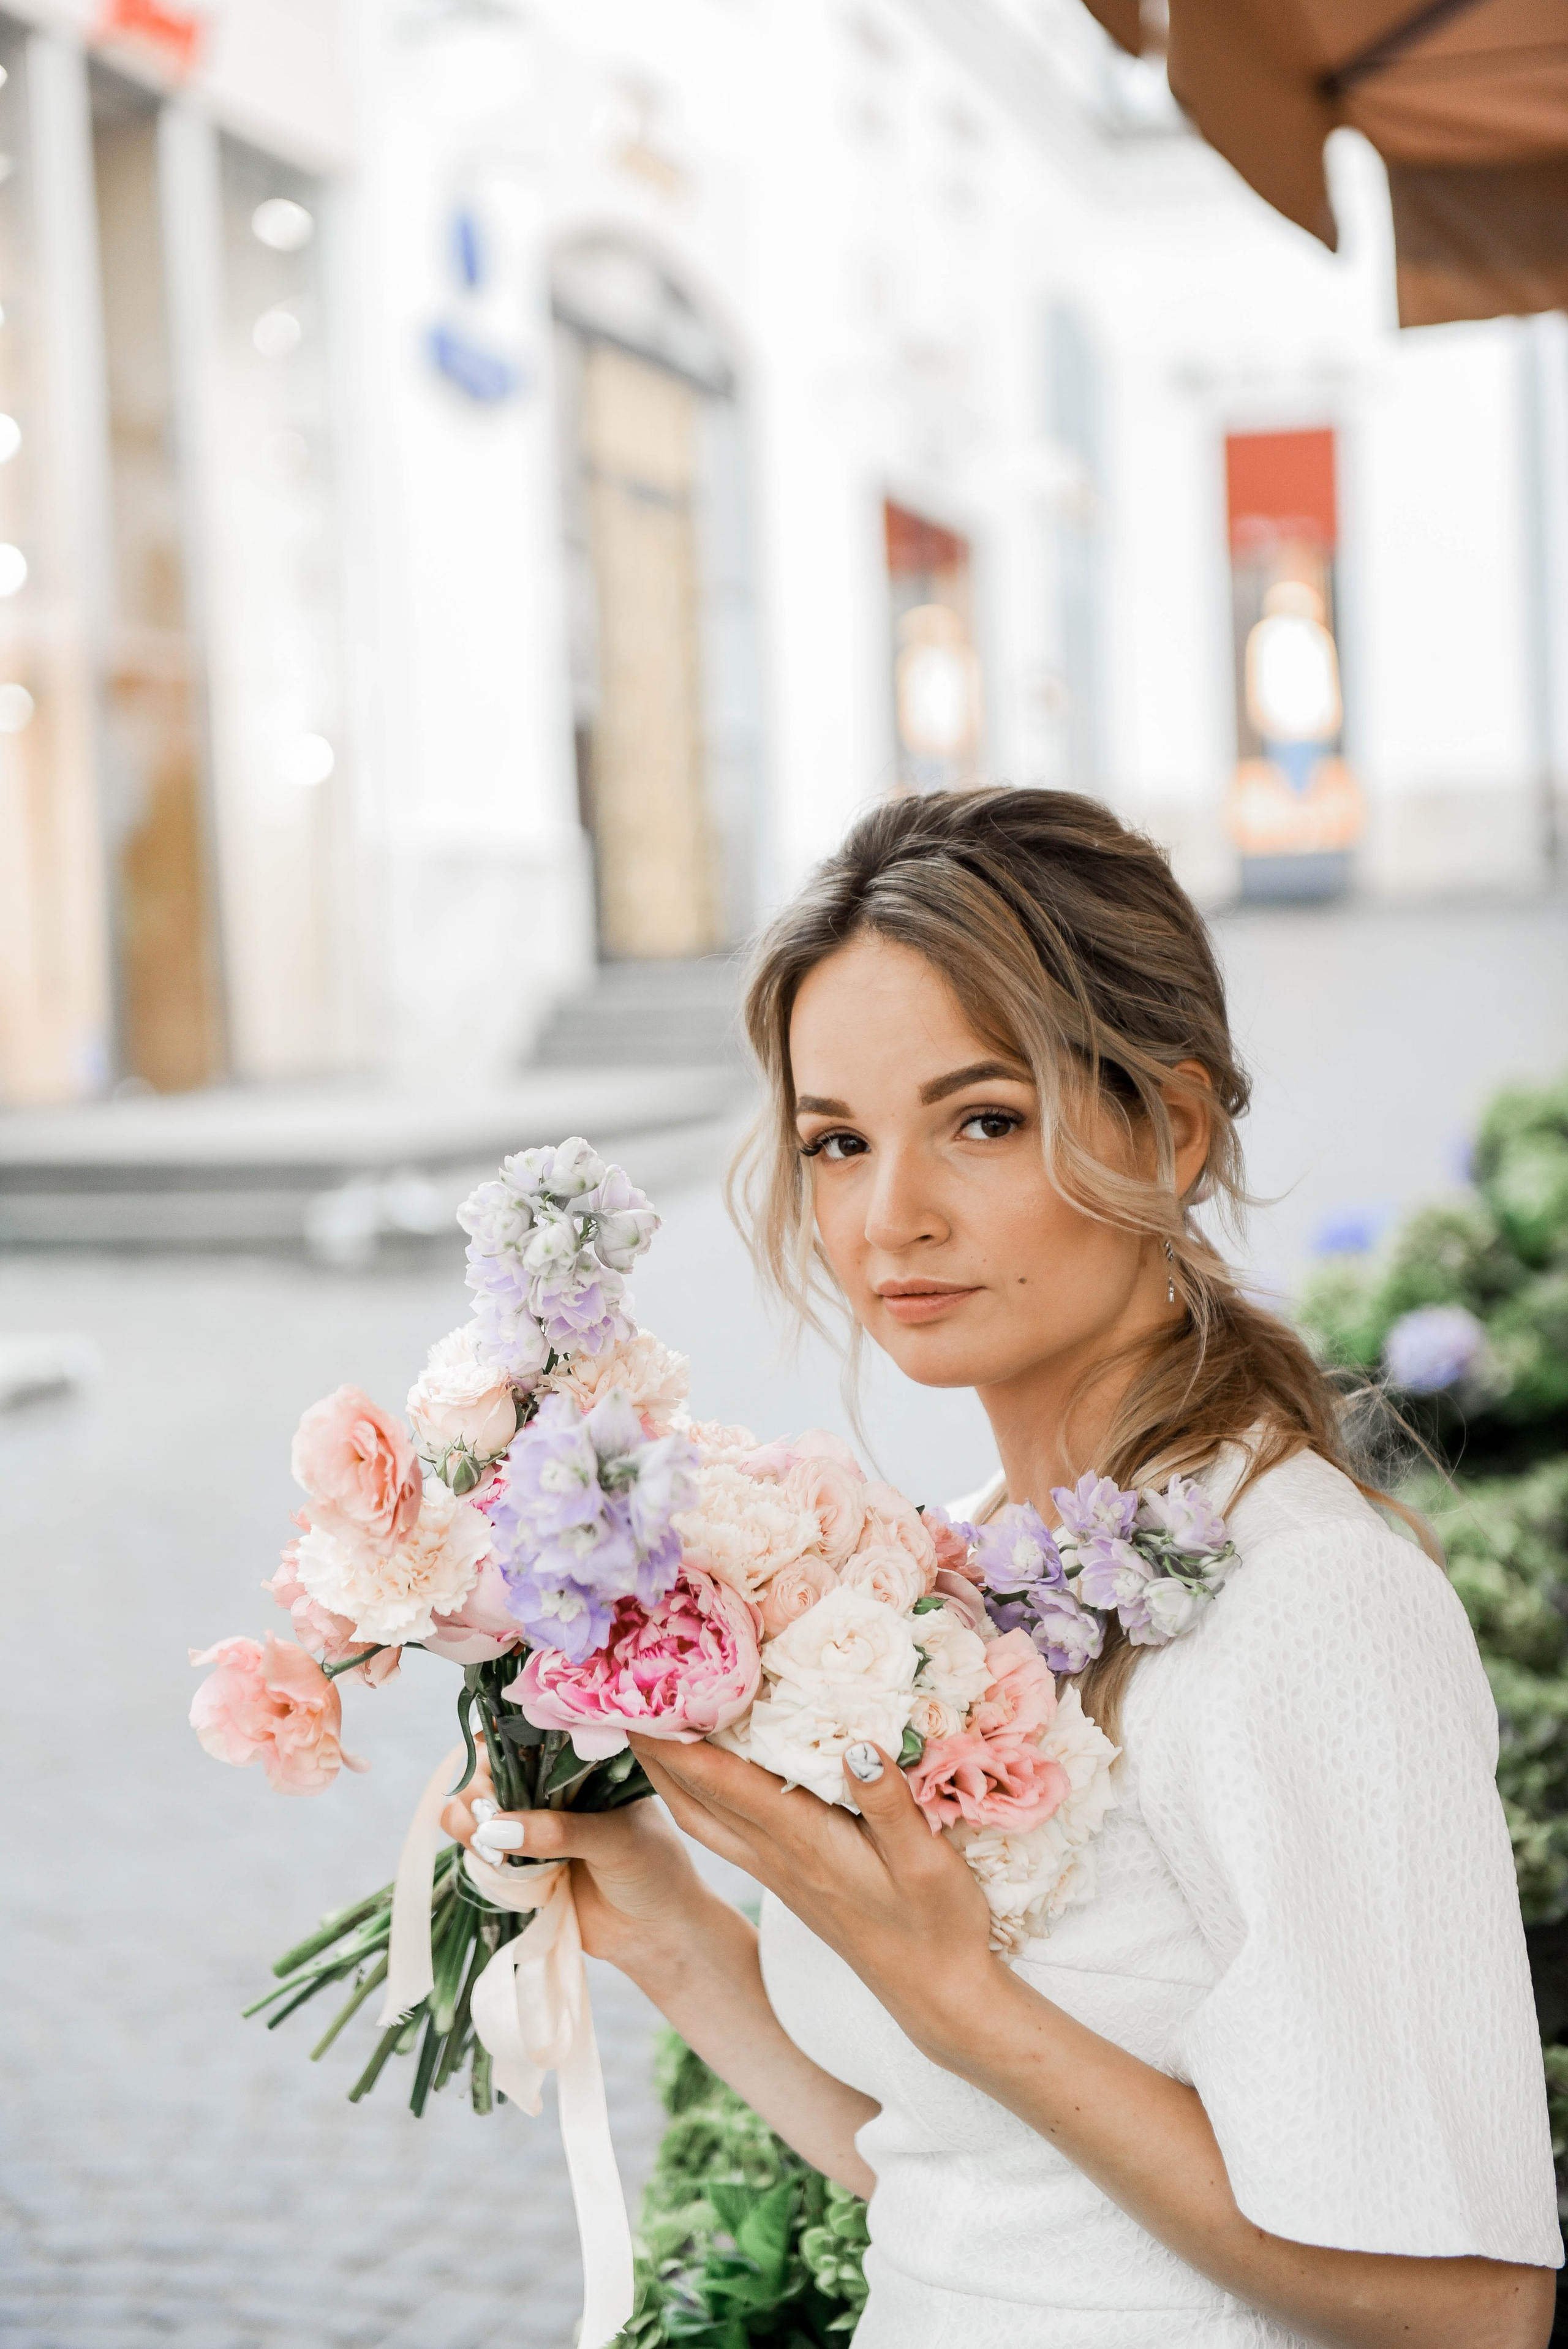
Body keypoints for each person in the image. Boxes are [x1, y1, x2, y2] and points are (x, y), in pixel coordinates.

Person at [449, 790, 1561, 2347]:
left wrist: (962, 1992)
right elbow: (960, 2177)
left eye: (982, 1119)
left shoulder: (1300, 1598)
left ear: (1169, 1130)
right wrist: (670, 1923)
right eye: (837, 1142)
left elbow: (1474, 2308)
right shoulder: (957, 1560)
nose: (887, 1216)